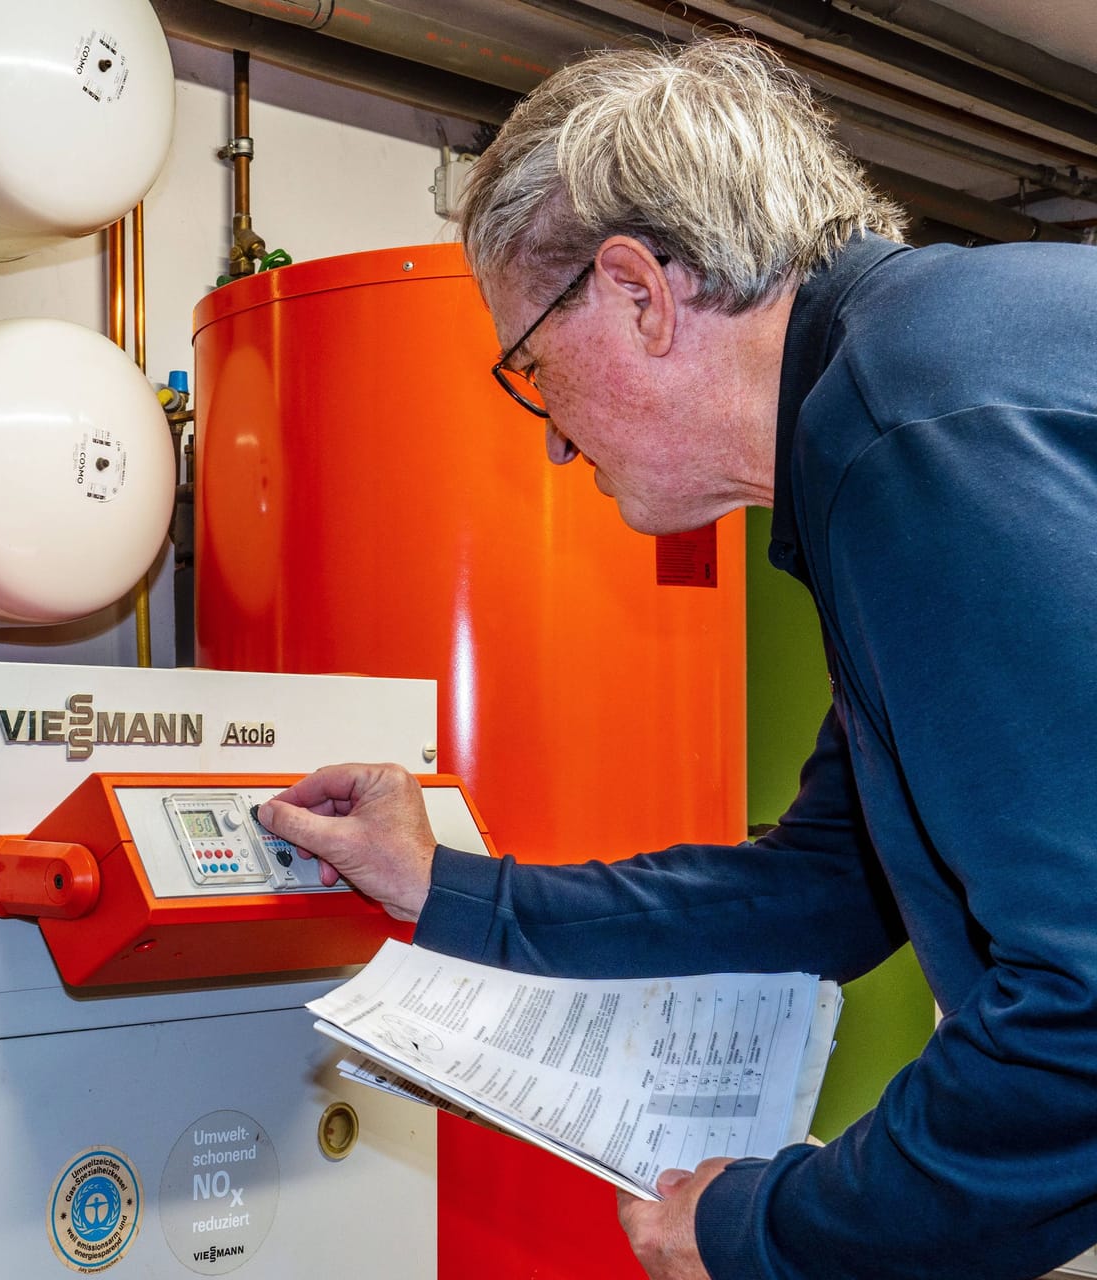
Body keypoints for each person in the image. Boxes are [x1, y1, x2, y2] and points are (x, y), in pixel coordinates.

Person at [255, 36, 1097, 1280]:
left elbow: (1081, 1011)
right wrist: (449, 887)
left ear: (640, 291)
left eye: (530, 367)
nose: (549, 442)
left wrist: (768, 1228)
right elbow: (828, 883)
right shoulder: (914, 390)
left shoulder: (913, 427)